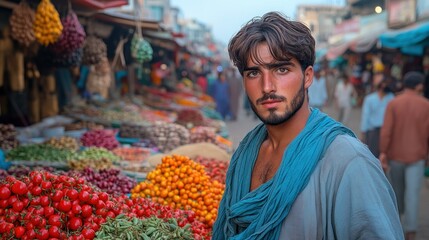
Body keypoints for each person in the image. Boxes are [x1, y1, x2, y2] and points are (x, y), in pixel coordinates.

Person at [212, 12, 403, 240]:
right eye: (254, 73)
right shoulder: (245, 152)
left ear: (308, 76)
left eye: (281, 69)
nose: (267, 86)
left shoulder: (349, 162)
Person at [379, 71, 429, 240]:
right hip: (417, 157)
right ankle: (411, 233)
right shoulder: (426, 105)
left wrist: (383, 152)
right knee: (413, 196)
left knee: (396, 194)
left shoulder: (394, 103)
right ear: (419, 86)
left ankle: (396, 228)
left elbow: (386, 131)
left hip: (396, 156)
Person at [360, 78, 394, 157]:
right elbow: (365, 115)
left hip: (387, 131)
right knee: (372, 155)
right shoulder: (369, 99)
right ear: (381, 86)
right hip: (373, 131)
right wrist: (363, 132)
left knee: (386, 155)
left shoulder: (391, 98)